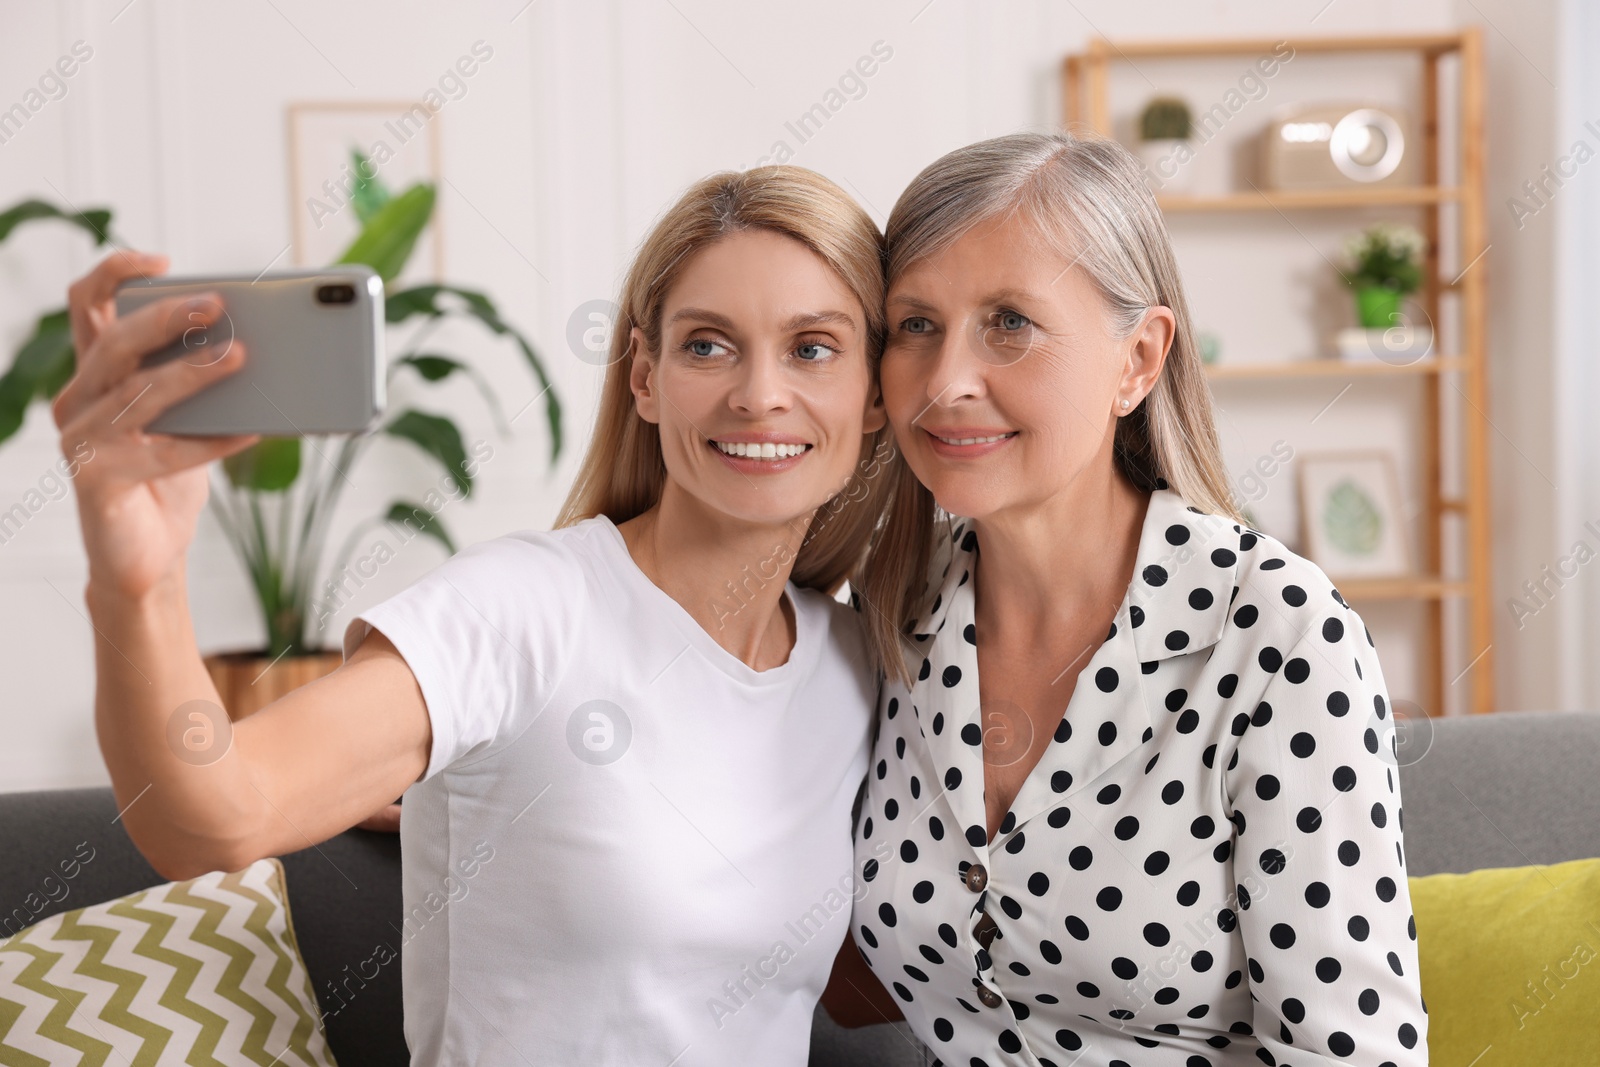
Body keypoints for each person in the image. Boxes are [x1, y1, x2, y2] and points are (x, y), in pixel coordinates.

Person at [57, 165, 895, 1065]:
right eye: (707, 345)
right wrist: (137, 582)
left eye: (813, 348)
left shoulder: (856, 666)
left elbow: (866, 974)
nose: (759, 394)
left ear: (877, 394)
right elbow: (210, 819)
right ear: (645, 378)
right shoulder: (522, 607)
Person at [826, 131, 1429, 1065]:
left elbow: (1352, 1052)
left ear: (1138, 360)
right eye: (915, 325)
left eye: (1010, 322)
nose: (946, 383)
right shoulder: (893, 611)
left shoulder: (1275, 634)